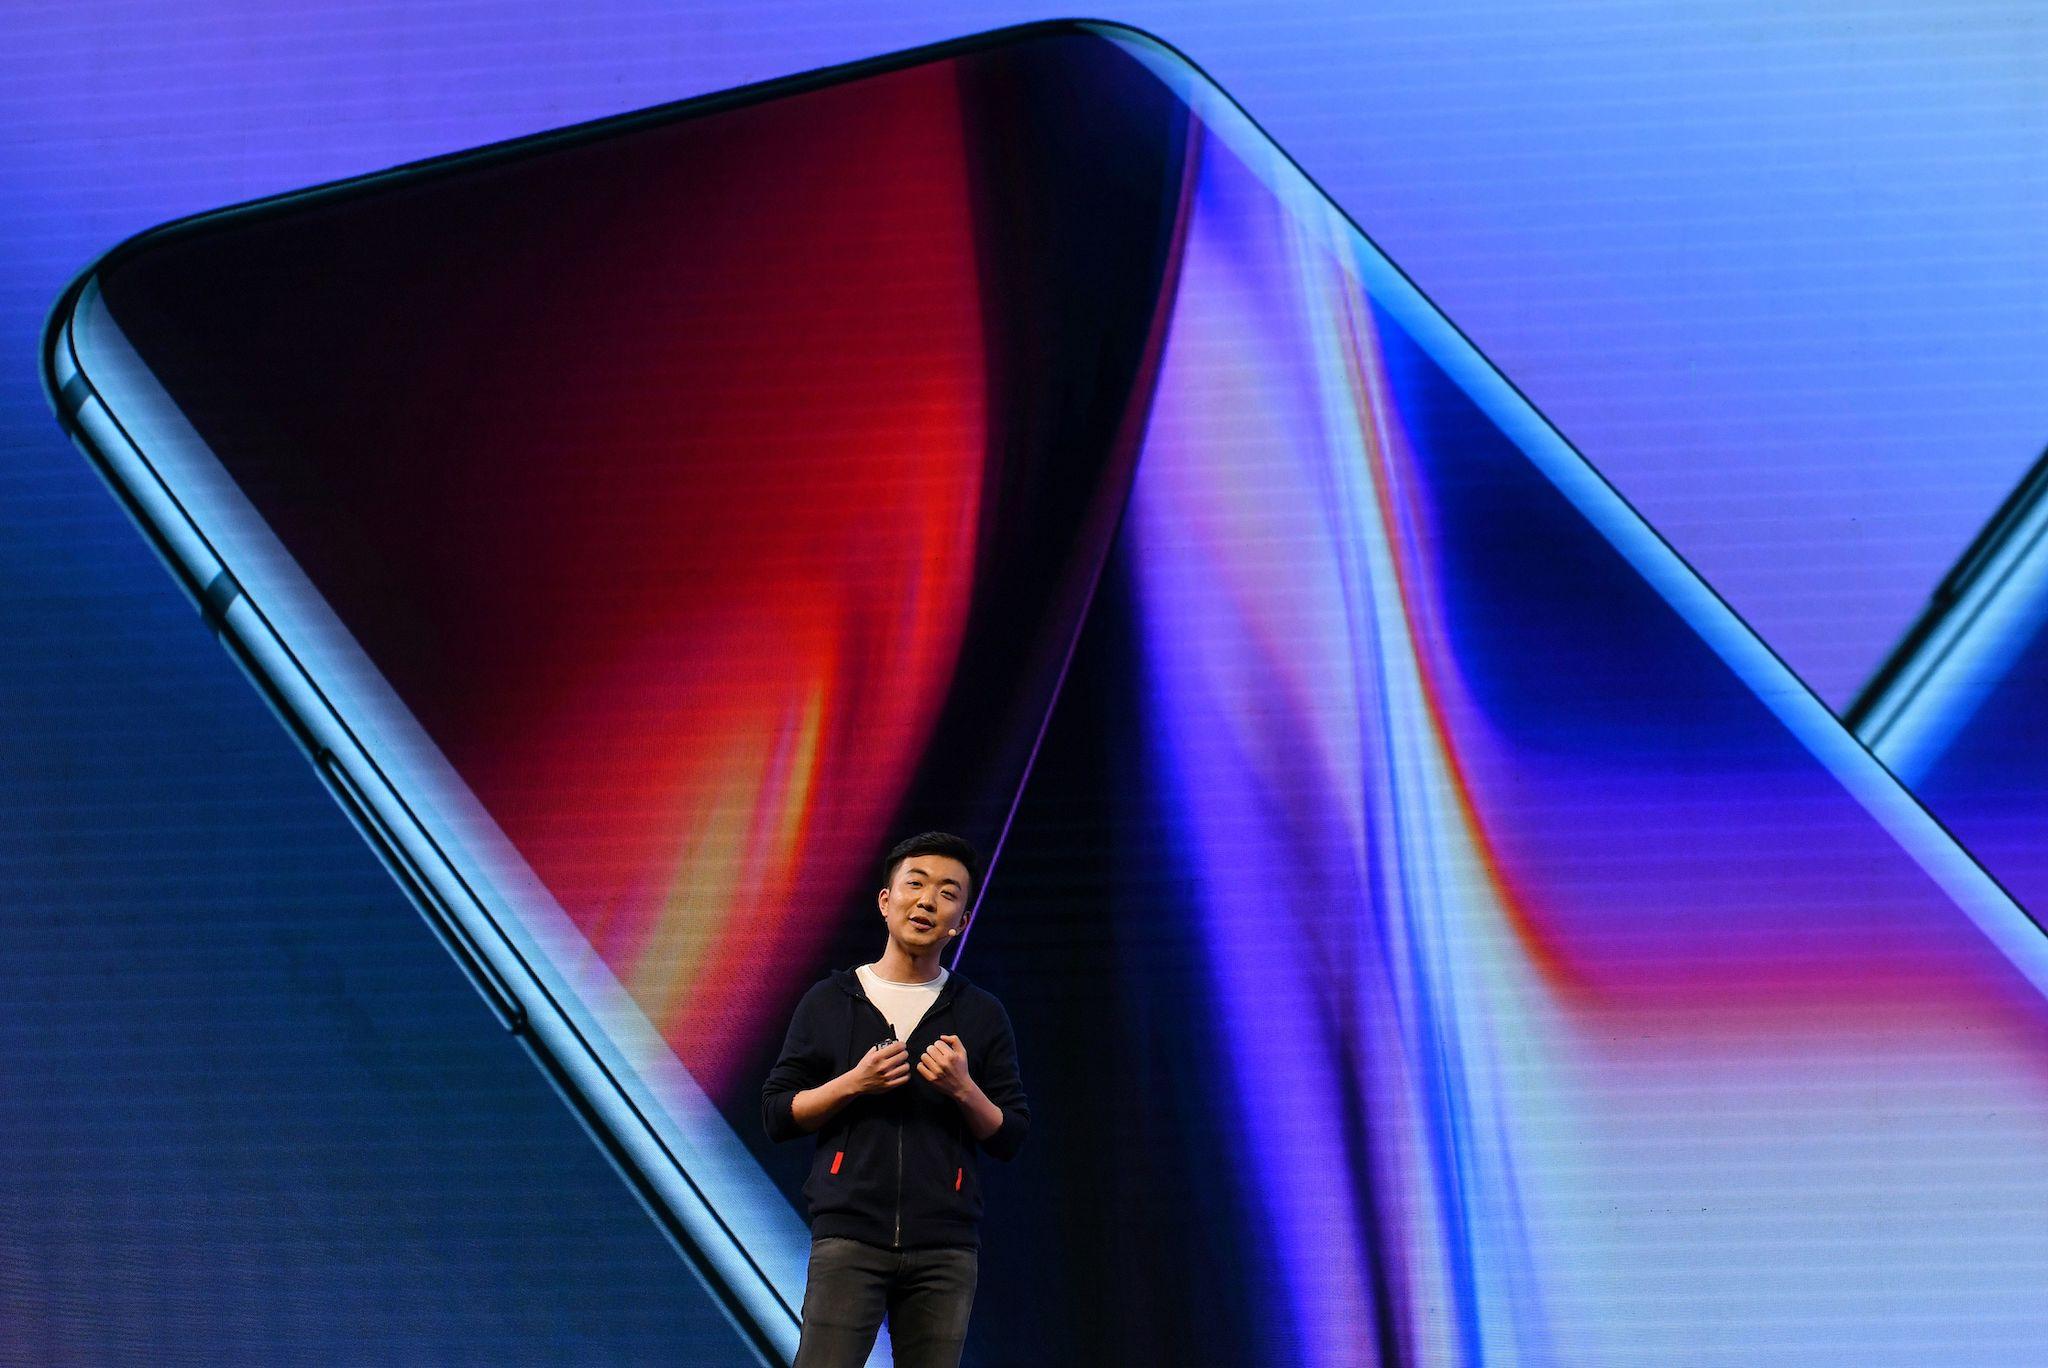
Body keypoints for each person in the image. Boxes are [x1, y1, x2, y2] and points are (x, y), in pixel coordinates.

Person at [762, 832, 1030, 1368]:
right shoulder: (831, 1001)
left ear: (962, 921)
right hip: (849, 1236)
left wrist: (963, 1087)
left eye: (948, 892)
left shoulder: (979, 1014)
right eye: (915, 883)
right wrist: (853, 1083)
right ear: (886, 901)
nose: (928, 900)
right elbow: (776, 1114)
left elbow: (1011, 1135)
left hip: (945, 1249)